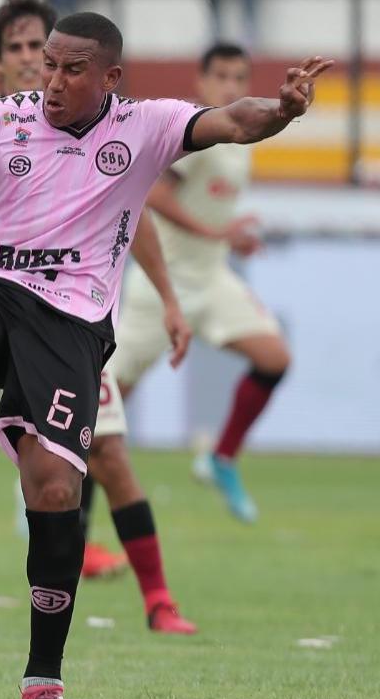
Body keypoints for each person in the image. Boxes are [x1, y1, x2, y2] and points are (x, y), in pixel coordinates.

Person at [0, 12, 330, 699]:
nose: (53, 81)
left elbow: (233, 121)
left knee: (55, 491)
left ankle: (44, 680)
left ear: (110, 78)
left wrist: (281, 111)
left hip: (70, 328)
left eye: (72, 69)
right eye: (48, 64)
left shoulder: (145, 124)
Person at [0, 0, 197, 635]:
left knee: (105, 456)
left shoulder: (116, 134)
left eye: (47, 48)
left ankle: (159, 598)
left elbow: (130, 216)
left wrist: (170, 297)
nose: (38, 62)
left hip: (71, 319)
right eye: (24, 50)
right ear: (1, 60)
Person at [120, 41, 289, 523]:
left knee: (274, 358)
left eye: (239, 78)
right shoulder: (197, 133)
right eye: (221, 77)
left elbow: (213, 208)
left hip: (211, 280)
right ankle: (48, 491)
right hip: (161, 288)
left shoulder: (241, 145)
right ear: (202, 81)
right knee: (108, 403)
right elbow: (151, 192)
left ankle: (221, 458)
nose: (231, 87)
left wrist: (229, 240)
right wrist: (218, 232)